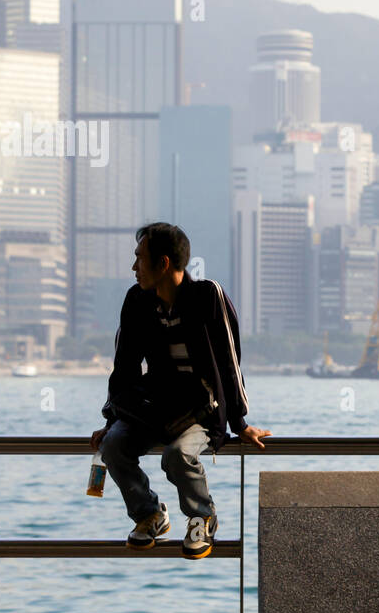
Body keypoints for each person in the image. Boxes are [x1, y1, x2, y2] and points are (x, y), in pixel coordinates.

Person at [89, 223, 272, 558]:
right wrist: (110, 418)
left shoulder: (207, 296)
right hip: (153, 408)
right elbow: (125, 364)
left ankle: (203, 517)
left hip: (202, 410)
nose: (134, 268)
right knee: (113, 446)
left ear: (163, 264)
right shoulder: (136, 301)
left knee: (177, 455)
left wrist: (240, 423)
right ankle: (149, 514)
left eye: (139, 259)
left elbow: (230, 362)